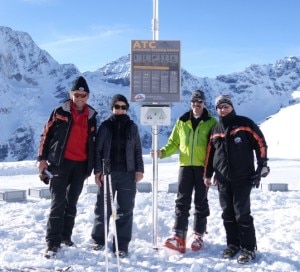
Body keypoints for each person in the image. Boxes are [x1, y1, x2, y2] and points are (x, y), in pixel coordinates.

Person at [204, 95, 270, 264]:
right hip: (223, 179)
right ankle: (233, 244)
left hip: (243, 177)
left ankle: (248, 248)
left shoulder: (245, 123)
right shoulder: (215, 129)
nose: (222, 109)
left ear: (231, 107)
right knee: (227, 213)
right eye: (219, 107)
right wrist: (207, 174)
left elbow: (260, 143)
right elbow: (209, 155)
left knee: (242, 213)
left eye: (225, 106)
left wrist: (262, 164)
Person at [37, 76, 97, 258]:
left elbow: (93, 141)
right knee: (58, 203)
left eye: (83, 95)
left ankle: (65, 237)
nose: (80, 98)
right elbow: (46, 135)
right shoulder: (60, 111)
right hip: (59, 164)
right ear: (71, 94)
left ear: (87, 96)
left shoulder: (92, 115)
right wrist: (42, 159)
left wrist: (92, 166)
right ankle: (52, 242)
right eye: (77, 94)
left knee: (72, 203)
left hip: (81, 166)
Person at [154, 89, 217, 253]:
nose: (196, 106)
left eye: (200, 103)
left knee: (201, 201)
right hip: (185, 166)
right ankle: (179, 236)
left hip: (203, 167)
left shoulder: (211, 122)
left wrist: (214, 169)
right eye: (194, 103)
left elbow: (216, 147)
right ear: (190, 104)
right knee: (182, 201)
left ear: (204, 103)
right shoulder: (182, 121)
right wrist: (162, 153)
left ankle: (198, 235)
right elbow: (173, 143)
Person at [91, 94, 144, 258]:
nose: (120, 110)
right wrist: (98, 171)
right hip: (108, 172)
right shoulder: (106, 126)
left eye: (123, 107)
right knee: (103, 208)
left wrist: (139, 169)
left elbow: (137, 149)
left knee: (125, 210)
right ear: (112, 108)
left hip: (128, 173)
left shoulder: (132, 127)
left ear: (127, 109)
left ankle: (121, 246)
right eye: (117, 107)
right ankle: (98, 240)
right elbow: (98, 150)